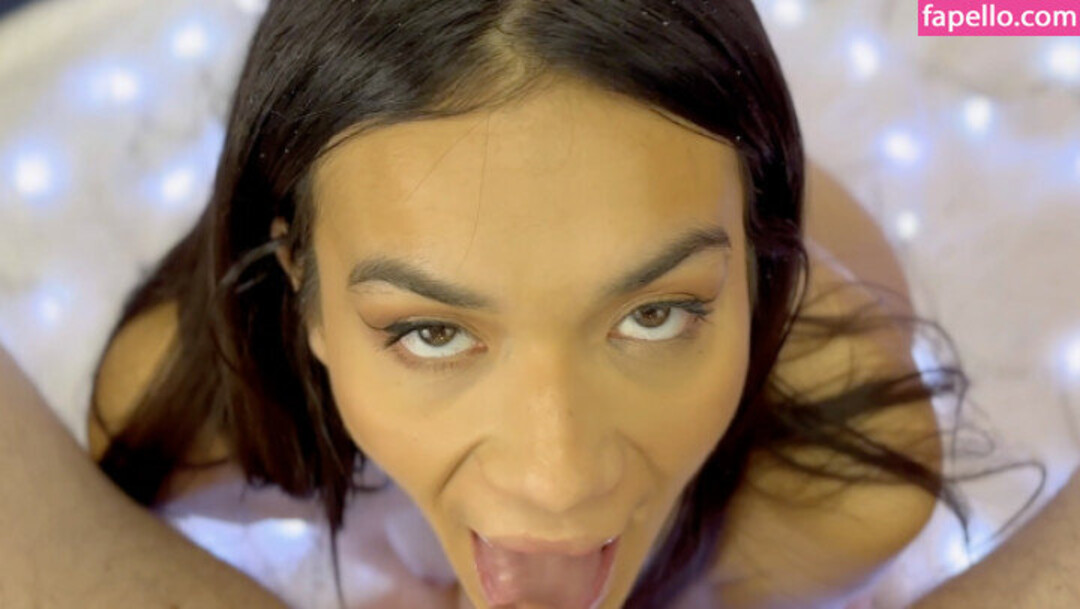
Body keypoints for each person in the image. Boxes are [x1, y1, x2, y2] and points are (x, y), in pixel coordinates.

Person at [17, 1, 980, 607]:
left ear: (759, 265)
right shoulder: (178, 410)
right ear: (300, 289)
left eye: (654, 314)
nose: (557, 479)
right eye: (432, 330)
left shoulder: (843, 486)